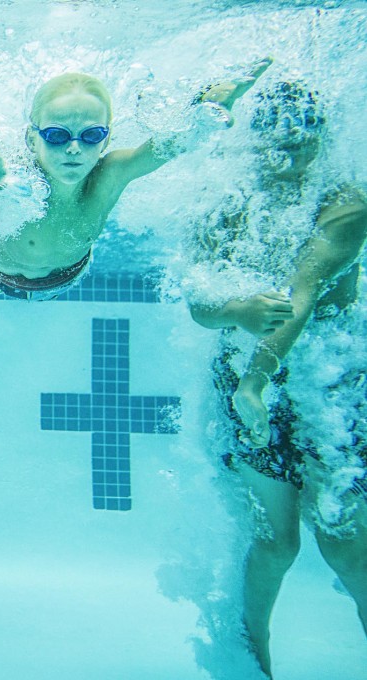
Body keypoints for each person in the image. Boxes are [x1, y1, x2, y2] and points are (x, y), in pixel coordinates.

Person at [185, 80, 367, 677]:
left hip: (325, 381)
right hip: (242, 376)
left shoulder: (346, 202)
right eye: (276, 143)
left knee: (344, 542)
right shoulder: (228, 205)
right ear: (256, 142)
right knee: (275, 542)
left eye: (304, 142)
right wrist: (235, 312)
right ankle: (250, 656)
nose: (289, 157)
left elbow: (304, 294)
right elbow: (200, 304)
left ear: (323, 139)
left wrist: (256, 382)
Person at [0, 59, 273, 320]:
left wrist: (204, 111)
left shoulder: (110, 175)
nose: (74, 149)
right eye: (57, 135)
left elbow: (165, 147)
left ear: (106, 138)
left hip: (68, 277)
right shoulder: (21, 175)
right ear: (32, 138)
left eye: (90, 135)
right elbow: (7, 197)